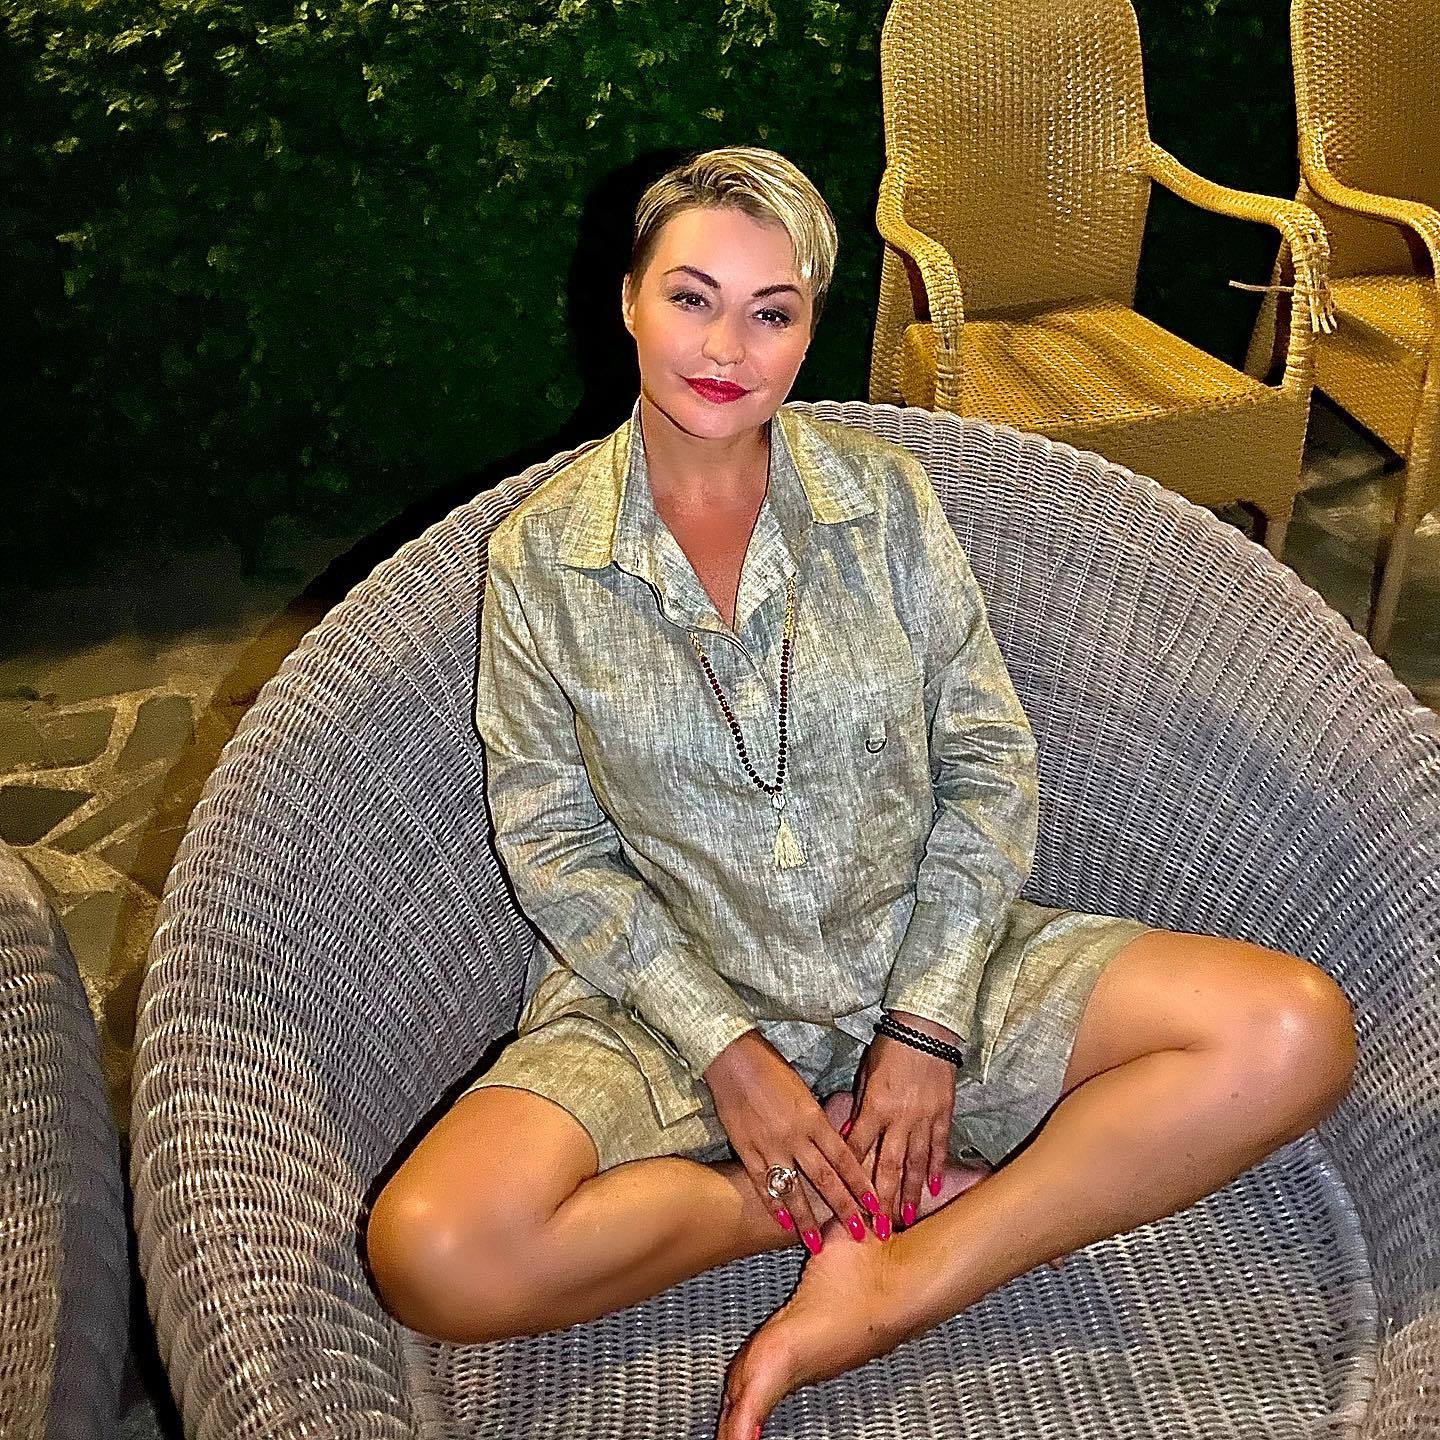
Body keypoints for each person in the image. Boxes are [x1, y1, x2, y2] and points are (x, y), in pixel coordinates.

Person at [364, 146, 1357, 1440]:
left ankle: (902, 1276)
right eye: (692, 298)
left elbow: (989, 762)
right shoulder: (542, 557)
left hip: (921, 960)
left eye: (771, 313)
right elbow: (553, 845)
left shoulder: (885, 504)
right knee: (434, 1252)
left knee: (1291, 1030)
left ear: (809, 331)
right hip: (664, 1009)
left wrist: (929, 1025)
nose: (726, 348)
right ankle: (800, 1203)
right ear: (629, 301)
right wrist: (731, 1061)